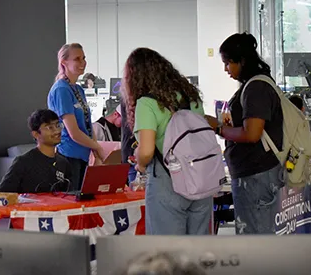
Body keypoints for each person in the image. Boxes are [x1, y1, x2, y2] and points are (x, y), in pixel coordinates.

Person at [123, 47, 212, 235]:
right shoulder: (191, 96)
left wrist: (139, 162)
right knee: (198, 251)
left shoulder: (147, 103)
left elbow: (147, 151)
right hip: (201, 180)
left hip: (167, 181)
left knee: (168, 253)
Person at [204, 33, 285, 235]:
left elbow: (252, 134)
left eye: (228, 63)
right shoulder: (255, 85)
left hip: (256, 174)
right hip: (255, 172)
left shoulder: (256, 87)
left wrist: (218, 128)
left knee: (256, 233)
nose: (226, 69)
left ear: (241, 60)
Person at [48, 43, 106, 191]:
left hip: (82, 155)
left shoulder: (78, 89)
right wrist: (96, 146)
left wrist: (94, 148)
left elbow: (87, 123)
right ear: (64, 63)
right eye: (77, 59)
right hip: (68, 155)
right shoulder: (62, 89)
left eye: (84, 58)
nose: (83, 63)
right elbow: (73, 132)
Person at [0, 109, 72, 193]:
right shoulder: (23, 162)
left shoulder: (63, 163)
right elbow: (2, 195)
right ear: (36, 134)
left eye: (58, 125)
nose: (57, 131)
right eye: (50, 127)